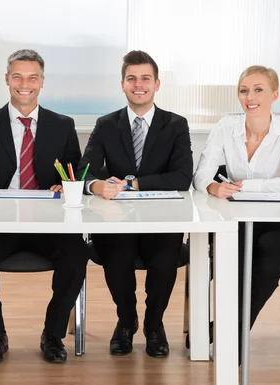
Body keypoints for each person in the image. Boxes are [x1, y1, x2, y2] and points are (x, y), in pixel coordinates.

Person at [0, 49, 88, 365]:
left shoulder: (62, 125)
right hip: (0, 222)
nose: (24, 83)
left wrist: (65, 186)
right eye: (17, 76)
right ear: (6, 79)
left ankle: (53, 335)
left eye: (32, 77)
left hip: (48, 223)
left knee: (77, 254)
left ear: (42, 82)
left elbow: (74, 177)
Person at [77, 50, 193, 358]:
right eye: (132, 79)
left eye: (145, 79)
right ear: (122, 84)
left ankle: (154, 325)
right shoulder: (106, 124)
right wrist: (96, 185)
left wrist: (133, 184)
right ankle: (126, 321)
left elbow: (182, 177)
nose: (138, 85)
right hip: (116, 220)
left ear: (157, 84)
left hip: (162, 221)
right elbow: (82, 170)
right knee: (116, 255)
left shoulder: (176, 125)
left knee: (166, 260)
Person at [193, 65, 280, 352]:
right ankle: (231, 335)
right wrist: (212, 187)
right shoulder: (225, 127)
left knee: (269, 260)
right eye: (244, 91)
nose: (250, 97)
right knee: (234, 258)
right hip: (236, 218)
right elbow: (201, 173)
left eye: (258, 90)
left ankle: (228, 332)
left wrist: (244, 185)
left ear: (274, 95)